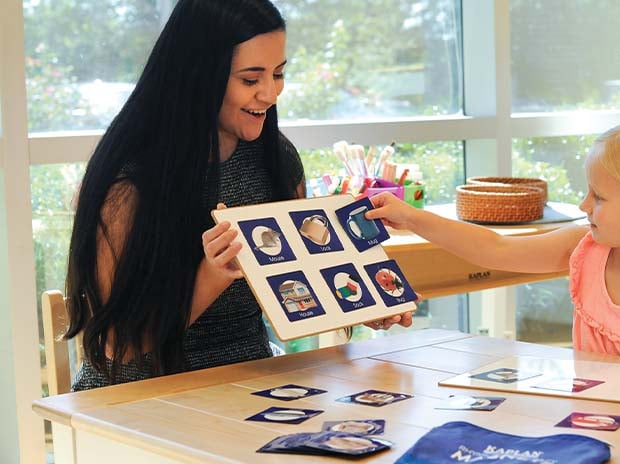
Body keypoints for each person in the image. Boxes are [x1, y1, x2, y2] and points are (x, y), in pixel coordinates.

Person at [65, 1, 411, 392]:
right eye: (250, 80)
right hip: (139, 396)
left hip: (249, 381)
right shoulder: (128, 182)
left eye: (278, 74)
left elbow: (295, 285)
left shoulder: (276, 158)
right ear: (199, 77)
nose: (270, 93)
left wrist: (362, 299)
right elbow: (119, 345)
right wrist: (210, 277)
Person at [367, 118, 620, 370]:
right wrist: (412, 218)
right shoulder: (586, 250)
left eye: (599, 197)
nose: (583, 205)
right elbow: (496, 249)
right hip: (589, 432)